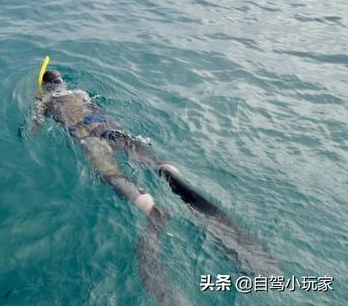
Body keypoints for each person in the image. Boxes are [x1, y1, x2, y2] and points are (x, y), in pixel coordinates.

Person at [28, 67, 279, 304]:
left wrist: (34, 121)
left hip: (87, 137)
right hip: (109, 128)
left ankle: (151, 208)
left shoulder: (47, 101)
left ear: (47, 86)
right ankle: (169, 173)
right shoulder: (79, 93)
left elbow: (35, 124)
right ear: (62, 82)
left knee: (112, 176)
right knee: (151, 160)